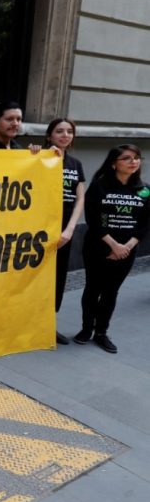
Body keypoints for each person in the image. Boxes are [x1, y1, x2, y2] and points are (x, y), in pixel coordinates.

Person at [73, 144, 150, 353]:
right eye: (127, 158)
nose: (133, 161)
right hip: (98, 247)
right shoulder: (100, 186)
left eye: (136, 157)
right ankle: (86, 329)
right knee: (92, 289)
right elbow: (93, 218)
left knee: (110, 292)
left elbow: (144, 224)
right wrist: (113, 244)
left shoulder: (144, 190)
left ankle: (101, 333)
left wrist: (126, 246)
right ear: (114, 164)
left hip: (127, 250)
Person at [45, 119, 86, 345]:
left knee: (58, 278)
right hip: (39, 232)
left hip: (64, 233)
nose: (65, 135)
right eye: (59, 131)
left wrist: (69, 230)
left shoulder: (76, 164)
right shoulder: (39, 157)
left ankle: (49, 325)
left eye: (69, 131)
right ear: (49, 135)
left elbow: (80, 198)